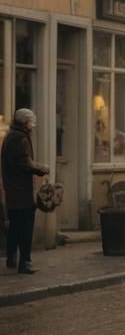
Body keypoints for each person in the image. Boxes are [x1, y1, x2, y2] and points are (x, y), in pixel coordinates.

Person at [3, 109, 49, 273]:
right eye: (31, 123)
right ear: (25, 123)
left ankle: (11, 258)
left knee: (14, 227)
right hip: (22, 192)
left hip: (12, 191)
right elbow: (25, 162)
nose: (32, 126)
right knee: (25, 228)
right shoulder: (20, 138)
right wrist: (42, 169)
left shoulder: (10, 136)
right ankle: (25, 262)